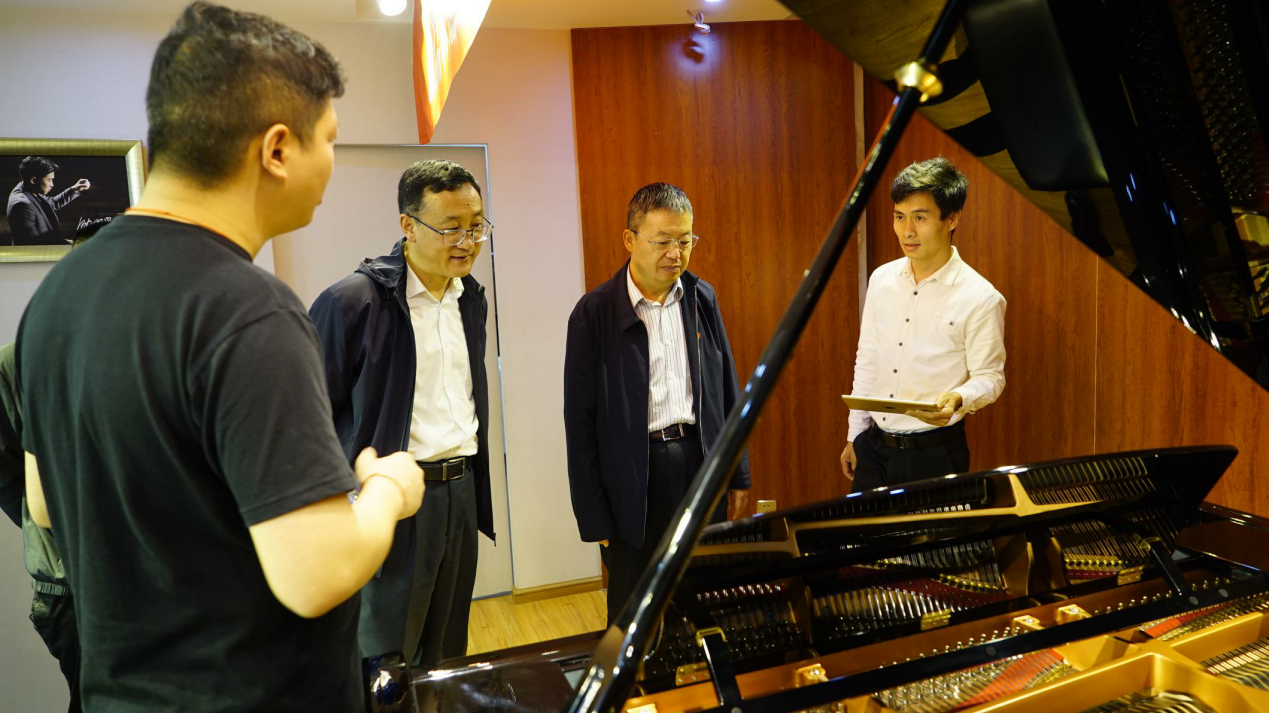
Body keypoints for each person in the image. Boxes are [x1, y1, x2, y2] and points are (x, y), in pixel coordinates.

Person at [16, 3, 424, 710]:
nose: (331, 160)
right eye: (329, 139)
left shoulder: (57, 294)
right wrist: (387, 487)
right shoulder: (248, 310)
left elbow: (43, 503)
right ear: (276, 150)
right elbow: (316, 573)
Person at [309, 159, 495, 669]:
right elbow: (310, 420)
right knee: (387, 658)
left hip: (460, 491)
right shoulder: (353, 302)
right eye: (451, 228)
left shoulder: (470, 297)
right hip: (392, 500)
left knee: (447, 655)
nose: (467, 241)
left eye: (476, 226)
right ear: (408, 226)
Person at [564, 182, 751, 625]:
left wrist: (738, 473)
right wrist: (593, 516)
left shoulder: (701, 298)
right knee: (634, 609)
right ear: (630, 240)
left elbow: (728, 389)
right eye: (662, 241)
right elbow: (579, 423)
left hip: (697, 460)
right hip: (632, 476)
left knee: (701, 594)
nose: (675, 253)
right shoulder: (594, 313)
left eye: (685, 241)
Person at [841, 157, 1006, 491]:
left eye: (920, 217)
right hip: (873, 446)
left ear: (952, 218)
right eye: (899, 217)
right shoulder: (881, 279)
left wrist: (959, 397)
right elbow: (868, 358)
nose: (907, 231)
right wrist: (854, 435)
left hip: (935, 451)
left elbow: (991, 377)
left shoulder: (981, 296)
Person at [0, 220, 108, 712]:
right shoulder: (18, 362)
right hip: (71, 588)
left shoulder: (154, 350)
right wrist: (53, 536)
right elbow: (8, 476)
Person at [5, 156, 90, 245]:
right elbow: (33, 243)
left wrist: (74, 189)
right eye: (49, 180)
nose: (52, 185)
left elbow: (53, 203)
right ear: (33, 180)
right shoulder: (22, 204)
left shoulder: (29, 188)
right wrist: (70, 243)